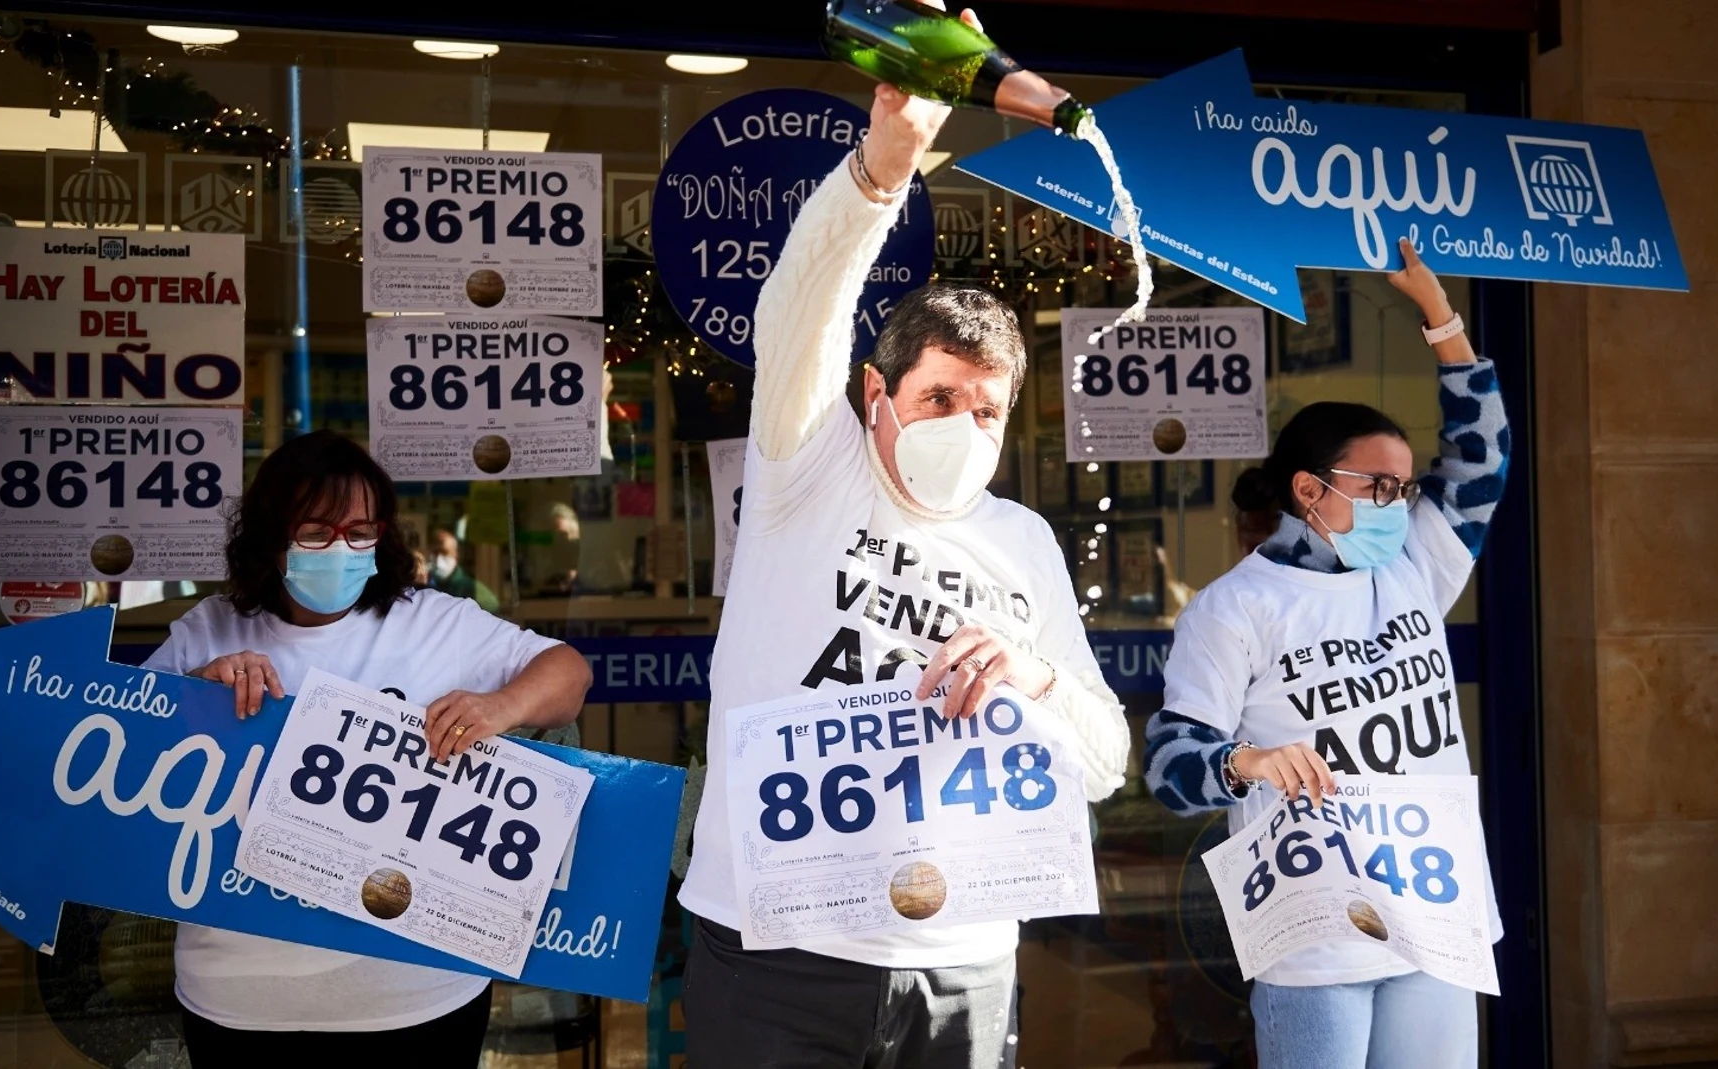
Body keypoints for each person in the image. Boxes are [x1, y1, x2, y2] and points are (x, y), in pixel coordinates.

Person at [677, 8, 1131, 1066]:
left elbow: (1105, 761)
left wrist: (1032, 676)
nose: (964, 428)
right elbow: (798, 311)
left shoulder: (1024, 542)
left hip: (962, 961)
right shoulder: (809, 468)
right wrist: (884, 169)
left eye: (987, 410)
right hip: (777, 950)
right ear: (877, 397)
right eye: (939, 400)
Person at [1142, 240, 1509, 1069]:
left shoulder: (1413, 562)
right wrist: (1246, 761)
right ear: (1309, 489)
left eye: (1403, 488)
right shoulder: (1234, 606)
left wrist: (1439, 315)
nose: (1396, 504)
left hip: (1435, 911)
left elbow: (1482, 456)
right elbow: (1169, 765)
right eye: (1376, 486)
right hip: (1314, 928)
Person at [143, 430, 592, 1067]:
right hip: (237, 1001)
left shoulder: (436, 622)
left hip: (420, 997)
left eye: (359, 532)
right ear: (270, 536)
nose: (340, 549)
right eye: (316, 532)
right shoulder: (209, 629)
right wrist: (197, 692)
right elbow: (133, 750)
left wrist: (501, 706)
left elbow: (569, 674)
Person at [427, 527, 500, 611]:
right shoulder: (425, 586)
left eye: (445, 553)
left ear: (456, 555)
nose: (438, 559)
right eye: (435, 553)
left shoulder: (474, 590)